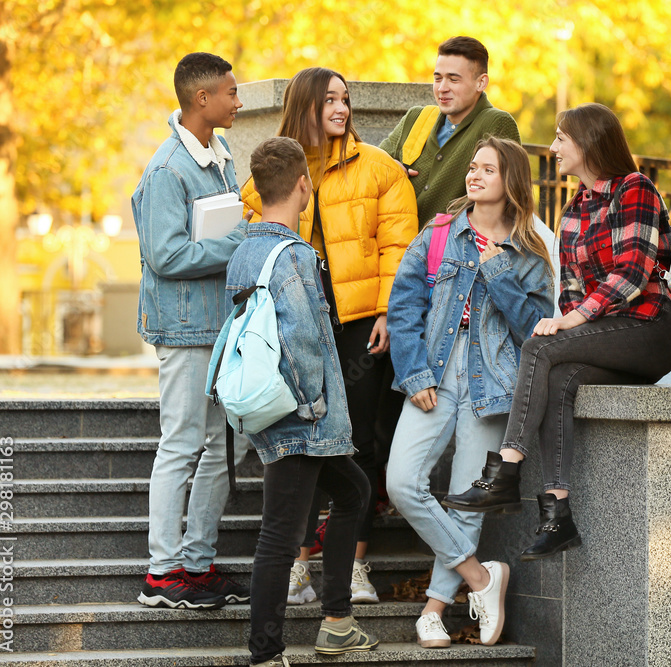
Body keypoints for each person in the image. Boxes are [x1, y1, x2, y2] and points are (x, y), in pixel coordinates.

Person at [442, 104, 671, 560]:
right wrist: (570, 314)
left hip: (653, 328)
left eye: (562, 138)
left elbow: (635, 272)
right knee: (559, 378)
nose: (554, 147)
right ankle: (557, 514)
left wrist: (572, 321)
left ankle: (506, 472)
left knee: (540, 347)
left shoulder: (633, 190)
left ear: (588, 142)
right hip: (610, 333)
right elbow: (572, 292)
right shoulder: (574, 208)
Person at [240, 67, 418, 607]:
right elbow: (256, 236)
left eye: (346, 99)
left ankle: (356, 566)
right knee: (298, 438)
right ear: (305, 106)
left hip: (362, 321)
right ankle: (298, 564)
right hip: (299, 325)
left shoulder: (380, 170)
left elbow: (399, 250)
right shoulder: (272, 177)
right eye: (329, 100)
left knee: (356, 440)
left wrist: (388, 312)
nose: (340, 109)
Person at [385, 137, 555, 647]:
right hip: (434, 374)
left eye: (487, 169)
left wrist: (499, 269)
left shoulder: (529, 253)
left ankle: (434, 610)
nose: (474, 175)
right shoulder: (440, 232)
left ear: (511, 182)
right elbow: (404, 304)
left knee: (465, 500)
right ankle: (483, 579)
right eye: (473, 167)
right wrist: (415, 373)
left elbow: (535, 329)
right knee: (401, 483)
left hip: (493, 385)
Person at [232, 137, 378, 666]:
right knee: (280, 534)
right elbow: (301, 343)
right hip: (301, 414)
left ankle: (337, 621)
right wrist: (313, 408)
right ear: (302, 185)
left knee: (355, 490)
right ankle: (267, 653)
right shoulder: (292, 253)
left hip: (271, 407)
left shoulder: (245, 247)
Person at [133, 52, 250, 610]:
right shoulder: (166, 170)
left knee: (224, 443)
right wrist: (235, 245)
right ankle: (161, 574)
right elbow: (164, 253)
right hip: (182, 330)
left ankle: (196, 562)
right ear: (202, 99)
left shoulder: (220, 157)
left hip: (218, 325)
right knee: (180, 446)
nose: (238, 100)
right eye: (230, 92)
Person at [380, 36, 520, 227]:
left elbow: (509, 200)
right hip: (395, 245)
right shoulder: (417, 118)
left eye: (453, 79)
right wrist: (393, 170)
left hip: (454, 252)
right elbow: (372, 170)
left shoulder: (496, 123)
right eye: (438, 78)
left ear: (481, 83)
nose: (442, 88)